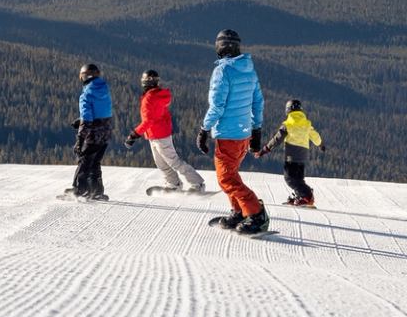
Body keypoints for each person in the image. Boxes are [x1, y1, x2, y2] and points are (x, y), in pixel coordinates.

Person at [199, 28, 269, 233]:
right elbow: (258, 102)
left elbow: (217, 106)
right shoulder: (249, 69)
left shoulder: (222, 71)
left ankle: (256, 214)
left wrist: (204, 129)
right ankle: (238, 211)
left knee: (226, 178)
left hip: (228, 135)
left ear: (219, 48)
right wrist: (257, 130)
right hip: (244, 133)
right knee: (232, 174)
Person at [124, 70, 206, 193]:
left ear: (145, 82)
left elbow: (148, 120)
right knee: (161, 163)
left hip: (159, 134)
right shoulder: (157, 95)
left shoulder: (150, 98)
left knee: (173, 161)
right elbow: (161, 116)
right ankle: (174, 184)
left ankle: (197, 183)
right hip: (157, 133)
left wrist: (134, 135)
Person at [66, 63, 114, 200]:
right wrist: (80, 119)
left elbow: (87, 122)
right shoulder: (104, 90)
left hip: (93, 134)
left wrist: (79, 141)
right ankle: (96, 190)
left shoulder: (86, 95)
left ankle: (80, 190)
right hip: (105, 133)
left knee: (84, 160)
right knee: (95, 162)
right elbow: (99, 112)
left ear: (84, 77)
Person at [268, 99, 324, 207]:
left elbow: (277, 139)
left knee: (289, 179)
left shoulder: (287, 124)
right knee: (298, 179)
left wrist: (266, 148)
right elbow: (315, 136)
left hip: (291, 156)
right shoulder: (306, 123)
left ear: (288, 110)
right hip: (302, 156)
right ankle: (300, 196)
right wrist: (320, 144)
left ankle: (307, 196)